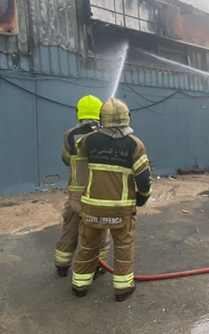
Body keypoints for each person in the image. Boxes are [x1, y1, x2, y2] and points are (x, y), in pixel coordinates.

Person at [71, 98, 152, 302]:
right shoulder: (135, 144)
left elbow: (77, 169)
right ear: (128, 118)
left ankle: (79, 286)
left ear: (102, 119)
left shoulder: (87, 141)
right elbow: (143, 178)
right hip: (121, 210)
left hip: (91, 208)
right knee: (123, 248)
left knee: (88, 245)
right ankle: (122, 289)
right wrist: (142, 198)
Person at [54, 95, 111, 278]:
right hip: (98, 193)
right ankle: (98, 266)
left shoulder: (70, 135)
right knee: (99, 231)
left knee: (70, 227)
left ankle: (62, 265)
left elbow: (65, 159)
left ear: (79, 113)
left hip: (76, 194)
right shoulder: (105, 136)